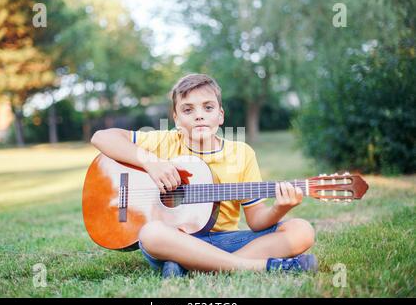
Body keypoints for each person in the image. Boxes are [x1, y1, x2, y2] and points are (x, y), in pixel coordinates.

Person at [91, 73, 317, 278]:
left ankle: (189, 264)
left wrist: (281, 207)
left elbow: (257, 221)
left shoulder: (242, 153)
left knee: (302, 231)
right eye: (188, 110)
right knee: (150, 233)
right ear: (176, 118)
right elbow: (101, 137)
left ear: (220, 115)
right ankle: (253, 266)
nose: (199, 116)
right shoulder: (163, 142)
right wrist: (152, 163)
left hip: (227, 241)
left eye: (208, 108)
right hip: (174, 239)